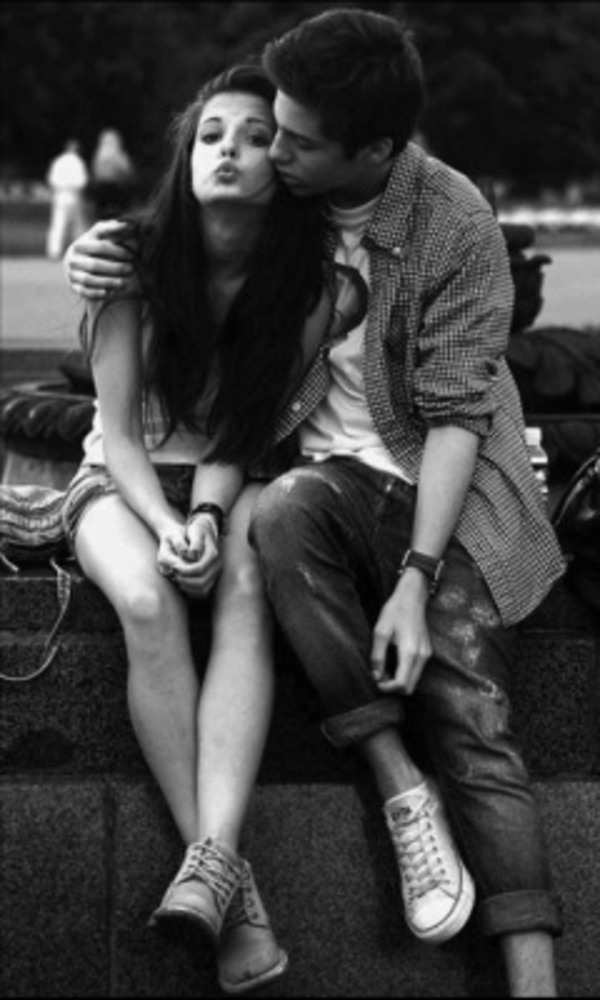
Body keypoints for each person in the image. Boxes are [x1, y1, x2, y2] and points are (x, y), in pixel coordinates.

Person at [64, 9, 565, 996]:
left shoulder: (397, 236)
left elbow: (426, 419)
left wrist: (410, 576)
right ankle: (288, 839)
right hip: (220, 486)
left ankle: (531, 974)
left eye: (283, 138)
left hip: (365, 487)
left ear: (365, 152)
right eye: (246, 131)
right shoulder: (218, 233)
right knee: (219, 554)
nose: (264, 151)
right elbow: (144, 421)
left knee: (450, 693)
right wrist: (97, 256)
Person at [61, 63, 329, 996]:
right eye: (212, 133)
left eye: (256, 138)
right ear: (186, 153)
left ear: (284, 169)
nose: (229, 150)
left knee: (249, 585)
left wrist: (208, 517)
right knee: (145, 599)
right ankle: (231, 883)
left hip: (231, 477)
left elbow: (242, 435)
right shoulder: (129, 261)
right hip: (122, 482)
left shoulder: (303, 289)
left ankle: (208, 868)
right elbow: (120, 435)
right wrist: (169, 523)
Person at [45, 139, 90, 260]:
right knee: (78, 225)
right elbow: (82, 182)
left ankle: (54, 251)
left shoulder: (58, 161)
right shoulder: (78, 162)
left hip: (60, 196)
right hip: (74, 196)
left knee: (58, 224)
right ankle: (81, 251)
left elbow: (52, 179)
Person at [91, 128, 137, 218]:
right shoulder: (120, 156)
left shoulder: (98, 157)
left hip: (103, 195)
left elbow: (95, 174)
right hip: (117, 193)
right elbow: (128, 172)